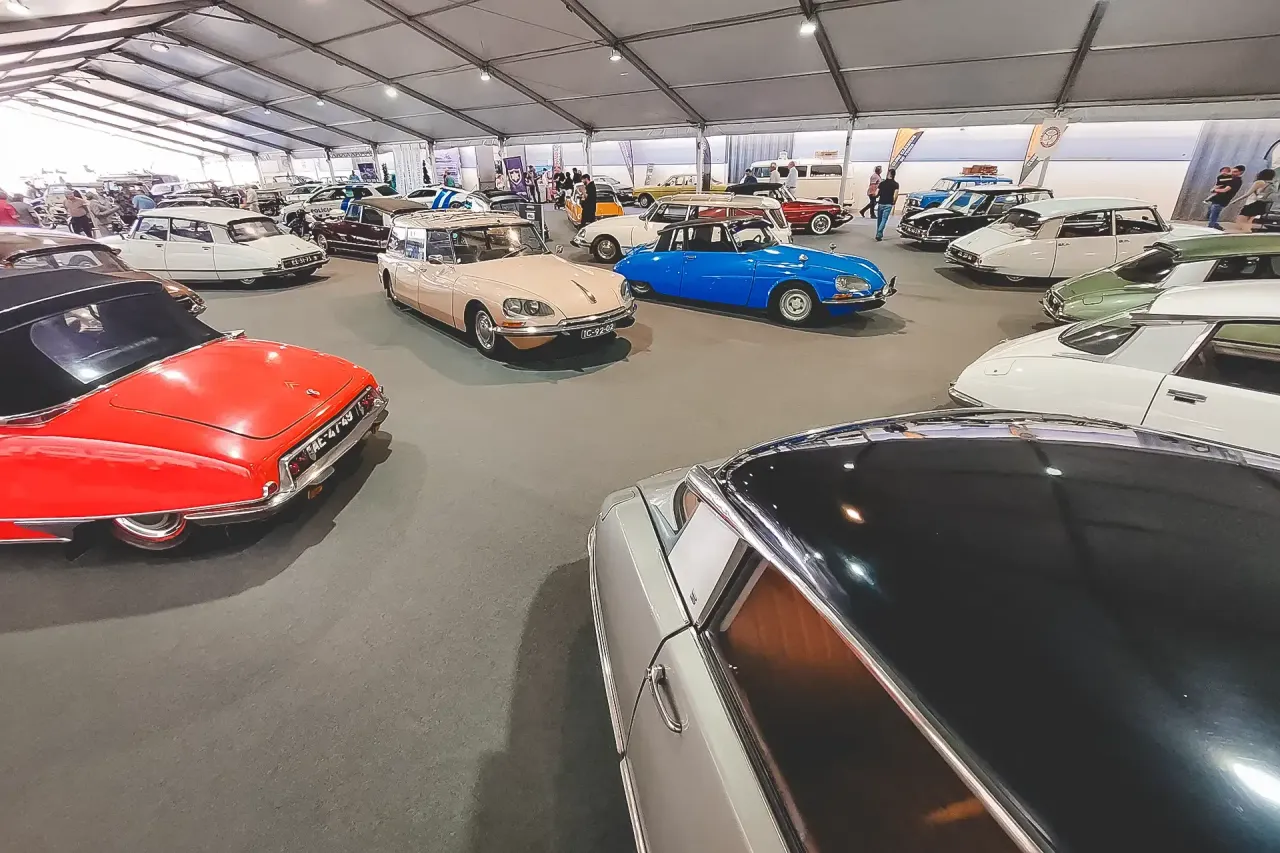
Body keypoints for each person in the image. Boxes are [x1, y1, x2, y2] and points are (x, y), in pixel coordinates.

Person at [1233, 168, 1277, 232]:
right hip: (1264, 204)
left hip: (1255, 203)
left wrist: (1235, 200)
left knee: (1241, 219)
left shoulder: (1259, 182)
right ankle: (1248, 231)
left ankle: (1246, 231)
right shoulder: (1271, 183)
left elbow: (1247, 194)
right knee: (1250, 220)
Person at [1207, 164, 1245, 230]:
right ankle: (1215, 226)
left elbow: (1225, 190)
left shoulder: (1237, 180)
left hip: (1222, 199)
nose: (1232, 173)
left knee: (1213, 215)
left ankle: (1211, 228)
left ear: (1240, 172)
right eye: (1232, 171)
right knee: (1211, 214)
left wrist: (1214, 190)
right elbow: (1219, 184)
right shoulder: (1228, 178)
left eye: (1235, 172)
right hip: (1216, 198)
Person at [874, 168, 899, 241]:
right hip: (888, 204)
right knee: (884, 219)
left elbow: (876, 193)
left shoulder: (882, 183)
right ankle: (879, 233)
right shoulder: (896, 184)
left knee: (879, 219)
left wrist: (876, 196)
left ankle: (878, 233)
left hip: (881, 203)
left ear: (888, 174)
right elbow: (895, 195)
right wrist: (894, 202)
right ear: (894, 175)